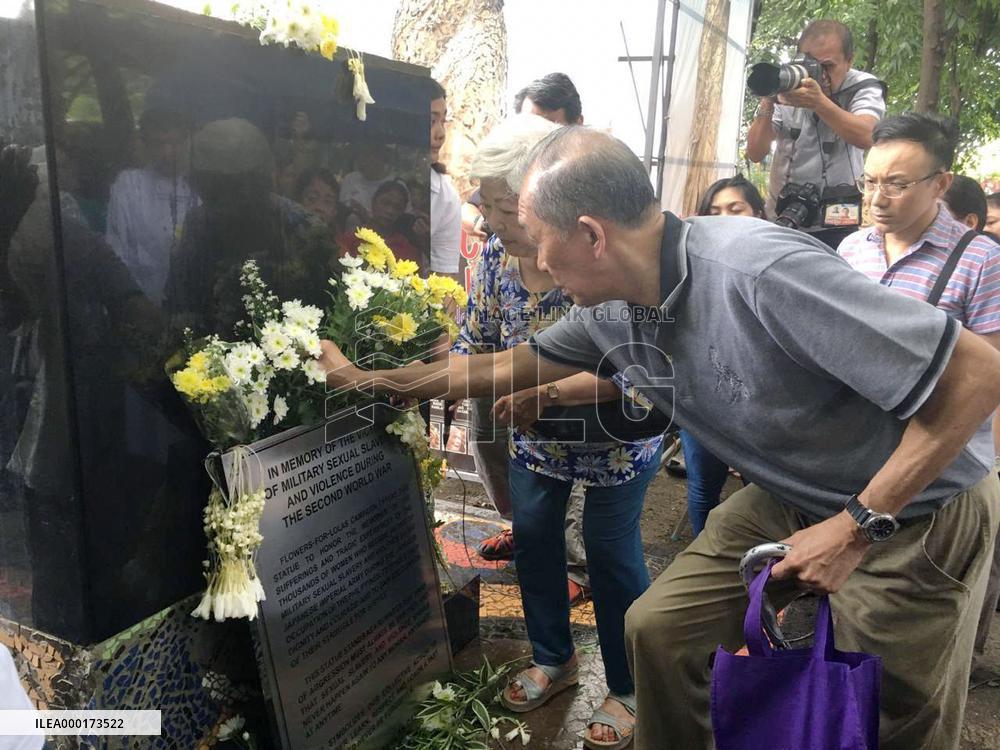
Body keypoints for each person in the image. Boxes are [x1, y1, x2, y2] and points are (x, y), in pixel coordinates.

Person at [318, 125, 1000, 750]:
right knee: (658, 629)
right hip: (797, 493)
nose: (529, 255)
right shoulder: (611, 309)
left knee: (885, 710)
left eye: (532, 234)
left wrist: (854, 527)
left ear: (590, 234)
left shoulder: (756, 271)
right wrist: (365, 380)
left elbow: (978, 375)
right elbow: (493, 368)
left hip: (917, 504)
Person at [839, 112, 1000, 689]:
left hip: (937, 470)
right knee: (851, 620)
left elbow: (988, 377)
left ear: (940, 183)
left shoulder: (981, 259)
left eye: (897, 183)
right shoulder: (852, 249)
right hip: (859, 457)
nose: (878, 197)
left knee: (910, 652)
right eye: (870, 181)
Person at [674, 175, 767, 536]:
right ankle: (701, 556)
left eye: (735, 209)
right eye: (714, 212)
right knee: (702, 489)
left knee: (763, 491)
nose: (725, 217)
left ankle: (768, 578)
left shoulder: (777, 264)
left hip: (759, 406)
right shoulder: (691, 264)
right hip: (703, 400)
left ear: (758, 213)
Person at [746, 20, 886, 249]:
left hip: (836, 222)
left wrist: (820, 103)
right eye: (812, 65)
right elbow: (755, 152)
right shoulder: (789, 82)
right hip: (783, 218)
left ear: (849, 60)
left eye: (828, 67)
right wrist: (769, 98)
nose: (820, 76)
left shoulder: (863, 87)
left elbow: (868, 136)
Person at [105, 107, 198, 305]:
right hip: (144, 304)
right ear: (145, 145)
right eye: (159, 144)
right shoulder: (129, 186)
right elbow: (118, 251)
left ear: (188, 142)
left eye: (175, 143)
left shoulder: (202, 186)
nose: (168, 152)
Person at [339, 180, 420, 264]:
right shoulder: (351, 240)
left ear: (401, 212)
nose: (390, 211)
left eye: (397, 207)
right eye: (385, 203)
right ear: (373, 203)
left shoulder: (406, 250)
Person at [429, 79, 463, 279]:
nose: (441, 134)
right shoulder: (352, 181)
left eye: (443, 122)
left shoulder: (446, 197)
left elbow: (444, 283)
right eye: (431, 122)